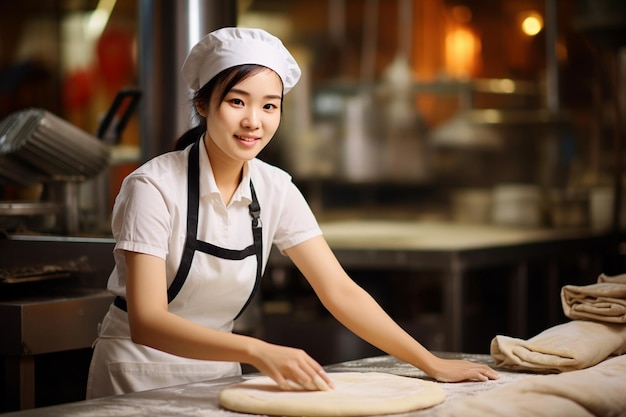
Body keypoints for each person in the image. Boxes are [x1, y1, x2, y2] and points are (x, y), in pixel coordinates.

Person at [86, 27, 498, 399]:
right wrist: (257, 351)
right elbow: (148, 320)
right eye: (236, 101)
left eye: (270, 106)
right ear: (204, 104)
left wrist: (430, 363)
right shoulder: (152, 187)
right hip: (136, 376)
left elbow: (340, 291)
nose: (254, 121)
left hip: (217, 375)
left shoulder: (274, 187)